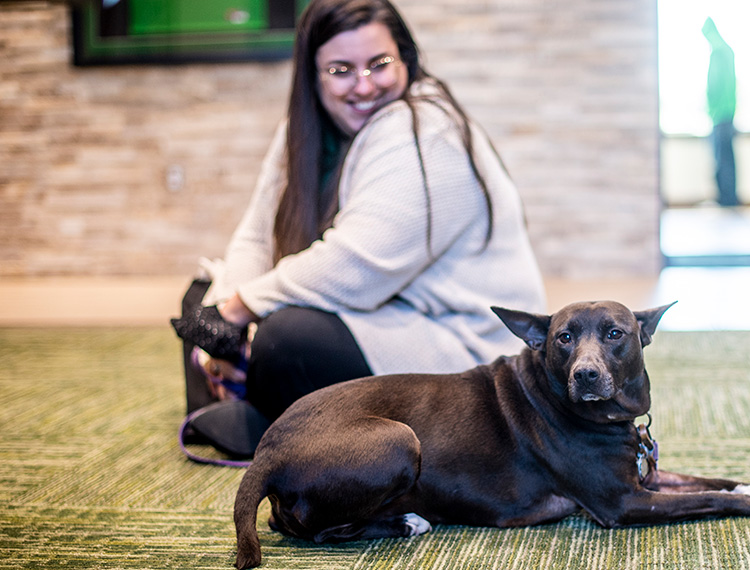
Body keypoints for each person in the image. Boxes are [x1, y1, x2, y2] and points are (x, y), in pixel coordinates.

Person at [172, 0, 546, 458]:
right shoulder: (302, 130)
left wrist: (237, 312)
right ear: (313, 75)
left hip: (463, 355)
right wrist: (219, 332)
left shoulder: (426, 130)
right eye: (341, 70)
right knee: (201, 296)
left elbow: (355, 269)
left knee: (288, 339)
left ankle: (261, 418)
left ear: (406, 59)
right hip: (382, 315)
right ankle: (264, 413)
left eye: (379, 64)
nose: (365, 85)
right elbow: (256, 238)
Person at [702, 17, 739, 207]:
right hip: (729, 114)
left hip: (719, 116)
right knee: (728, 159)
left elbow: (714, 86)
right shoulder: (728, 52)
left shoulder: (717, 53)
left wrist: (710, 108)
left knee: (721, 160)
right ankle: (729, 199)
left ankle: (726, 200)